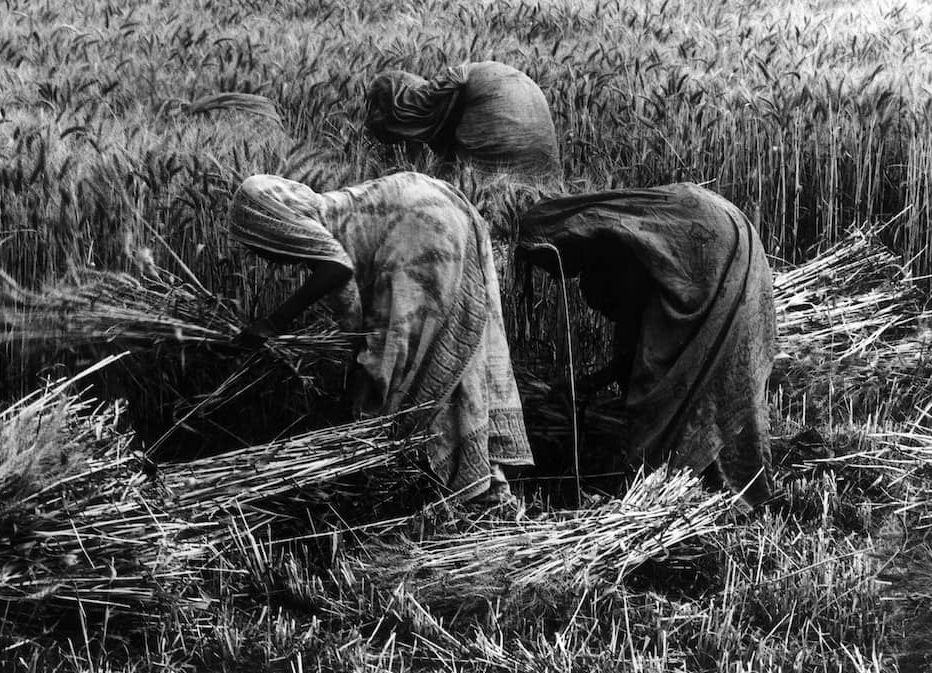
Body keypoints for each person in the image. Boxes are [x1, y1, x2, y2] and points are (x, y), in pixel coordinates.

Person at [231, 171, 534, 505]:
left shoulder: (324, 237)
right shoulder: (332, 213)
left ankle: (444, 479)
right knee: (454, 351)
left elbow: (336, 268)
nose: (266, 258)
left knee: (406, 371)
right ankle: (482, 478)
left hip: (418, 232)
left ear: (273, 226)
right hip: (431, 207)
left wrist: (273, 323)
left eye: (260, 244)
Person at [517, 182, 777, 507]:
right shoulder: (625, 227)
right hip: (734, 248)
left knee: (679, 399)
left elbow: (641, 360)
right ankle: (715, 491)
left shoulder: (619, 254)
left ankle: (664, 492)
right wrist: (588, 383)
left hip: (716, 255)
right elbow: (629, 349)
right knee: (717, 384)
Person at [365, 61, 560, 177]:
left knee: (473, 196)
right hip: (524, 96)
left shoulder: (432, 102)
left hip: (499, 109)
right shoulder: (438, 96)